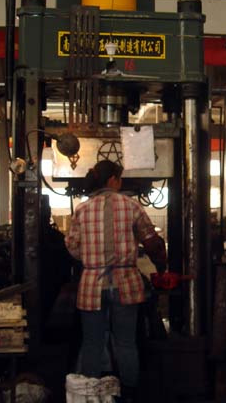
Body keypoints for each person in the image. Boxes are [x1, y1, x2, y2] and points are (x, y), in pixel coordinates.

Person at [65, 160, 167, 401]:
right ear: (112, 180)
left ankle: (90, 395)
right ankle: (128, 395)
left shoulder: (82, 209)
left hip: (91, 285)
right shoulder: (131, 206)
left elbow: (72, 246)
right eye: (119, 179)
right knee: (126, 343)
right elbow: (151, 241)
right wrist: (161, 267)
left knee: (92, 343)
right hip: (126, 284)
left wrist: (92, 259)